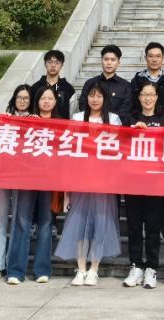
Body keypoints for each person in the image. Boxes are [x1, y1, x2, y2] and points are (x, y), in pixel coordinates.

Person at [56, 82, 122, 286]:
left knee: (99, 225)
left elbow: (119, 149)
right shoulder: (77, 118)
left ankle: (94, 269)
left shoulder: (113, 119)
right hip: (80, 179)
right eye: (92, 95)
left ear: (105, 98)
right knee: (79, 225)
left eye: (99, 96)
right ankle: (81, 268)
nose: (95, 99)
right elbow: (69, 152)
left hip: (103, 180)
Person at [4, 84, 60, 285]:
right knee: (22, 221)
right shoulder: (27, 121)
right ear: (37, 101)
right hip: (26, 177)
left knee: (46, 223)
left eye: (50, 98)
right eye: (43, 98)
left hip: (50, 180)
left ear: (55, 102)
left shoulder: (61, 125)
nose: (46, 101)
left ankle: (42, 270)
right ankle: (15, 271)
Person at [123, 81, 164, 289]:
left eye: (151, 94)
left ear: (157, 97)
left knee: (153, 226)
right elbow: (122, 144)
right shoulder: (130, 119)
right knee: (134, 226)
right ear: (139, 97)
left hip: (156, 182)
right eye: (144, 94)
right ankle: (135, 265)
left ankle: (151, 267)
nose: (147, 98)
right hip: (133, 181)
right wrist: (133, 131)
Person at [0, 84, 32, 279]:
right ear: (14, 99)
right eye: (19, 97)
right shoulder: (3, 119)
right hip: (2, 174)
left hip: (24, 176)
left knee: (19, 221)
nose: (22, 101)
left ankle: (12, 263)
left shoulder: (35, 121)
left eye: (26, 98)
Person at [81, 44, 134, 125]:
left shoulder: (126, 86)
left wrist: (111, 122)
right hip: (92, 126)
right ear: (101, 61)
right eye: (106, 59)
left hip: (116, 127)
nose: (109, 63)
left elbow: (126, 110)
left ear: (118, 63)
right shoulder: (90, 83)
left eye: (113, 60)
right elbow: (83, 105)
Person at [129, 41, 164, 118]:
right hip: (141, 123)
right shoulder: (136, 81)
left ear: (163, 58)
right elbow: (132, 106)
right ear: (145, 58)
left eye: (158, 56)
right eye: (151, 56)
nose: (154, 60)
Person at [31, 49, 75, 121]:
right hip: (38, 126)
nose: (53, 65)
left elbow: (72, 113)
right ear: (45, 64)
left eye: (57, 63)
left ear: (62, 65)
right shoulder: (35, 87)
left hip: (61, 126)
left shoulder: (68, 89)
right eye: (49, 62)